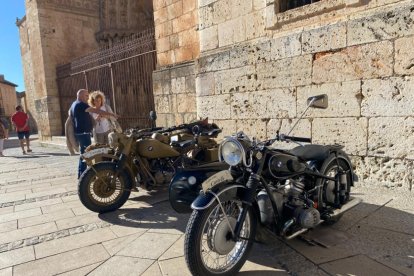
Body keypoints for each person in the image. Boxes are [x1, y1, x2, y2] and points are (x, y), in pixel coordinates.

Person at [70, 89, 118, 178]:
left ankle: (82, 174)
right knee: (87, 154)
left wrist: (108, 115)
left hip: (81, 133)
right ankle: (86, 175)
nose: (87, 97)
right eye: (86, 96)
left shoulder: (74, 104)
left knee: (84, 153)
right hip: (84, 133)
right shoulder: (81, 104)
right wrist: (111, 114)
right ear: (81, 95)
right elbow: (97, 111)